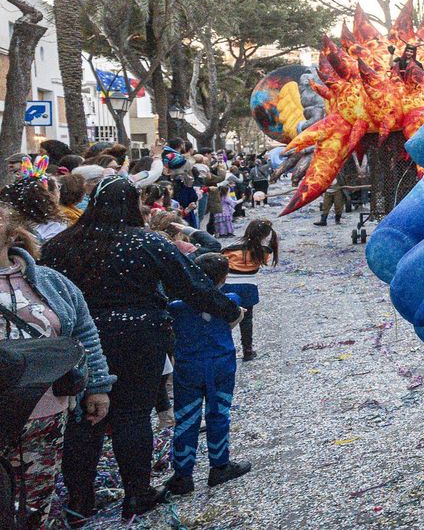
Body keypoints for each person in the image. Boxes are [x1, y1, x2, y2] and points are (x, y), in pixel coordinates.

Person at [43, 177, 243, 522]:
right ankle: (137, 492)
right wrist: (229, 311)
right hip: (138, 336)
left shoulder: (61, 245)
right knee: (132, 414)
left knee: (82, 419)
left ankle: (79, 500)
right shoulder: (147, 242)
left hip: (77, 340)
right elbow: (192, 284)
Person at [0, 205, 113, 529]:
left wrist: (98, 386)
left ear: (10, 235)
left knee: (37, 501)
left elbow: (83, 333)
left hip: (45, 413)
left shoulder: (50, 282)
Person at [164, 253, 254, 496]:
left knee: (186, 418)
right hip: (220, 363)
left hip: (188, 365)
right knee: (219, 413)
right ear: (224, 278)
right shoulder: (231, 299)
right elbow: (236, 317)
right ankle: (219, 465)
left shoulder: (176, 307)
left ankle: (183, 475)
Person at [222, 219, 279, 362]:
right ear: (265, 236)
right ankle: (247, 349)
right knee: (246, 319)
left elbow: (221, 262)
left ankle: (223, 347)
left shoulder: (231, 249)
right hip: (249, 287)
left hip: (228, 285)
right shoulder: (264, 252)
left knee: (224, 318)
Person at [1, 175, 71, 244]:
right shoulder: (55, 227)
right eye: (58, 188)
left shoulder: (8, 222)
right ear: (50, 195)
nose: (59, 193)